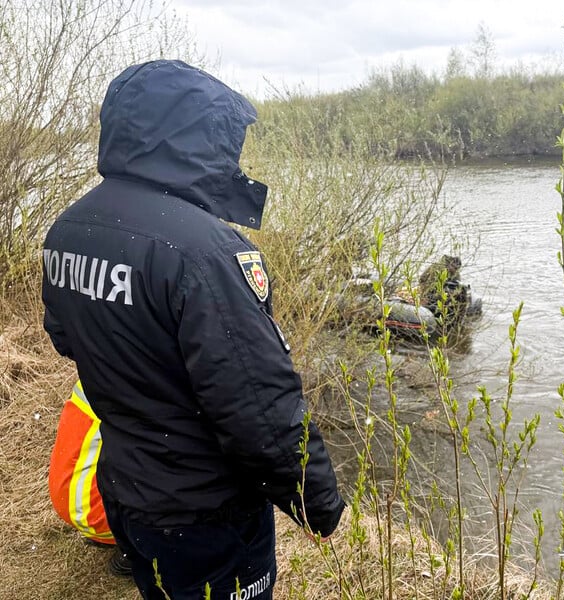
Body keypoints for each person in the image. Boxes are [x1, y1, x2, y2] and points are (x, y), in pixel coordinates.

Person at [41, 60, 345, 599]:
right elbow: (259, 406)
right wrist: (316, 501)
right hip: (205, 512)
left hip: (127, 489)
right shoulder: (205, 252)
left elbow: (66, 338)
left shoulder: (69, 229)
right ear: (197, 140)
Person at [48, 380, 132, 576]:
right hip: (96, 510)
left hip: (73, 499)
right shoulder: (145, 375)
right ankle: (137, 546)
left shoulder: (99, 367)